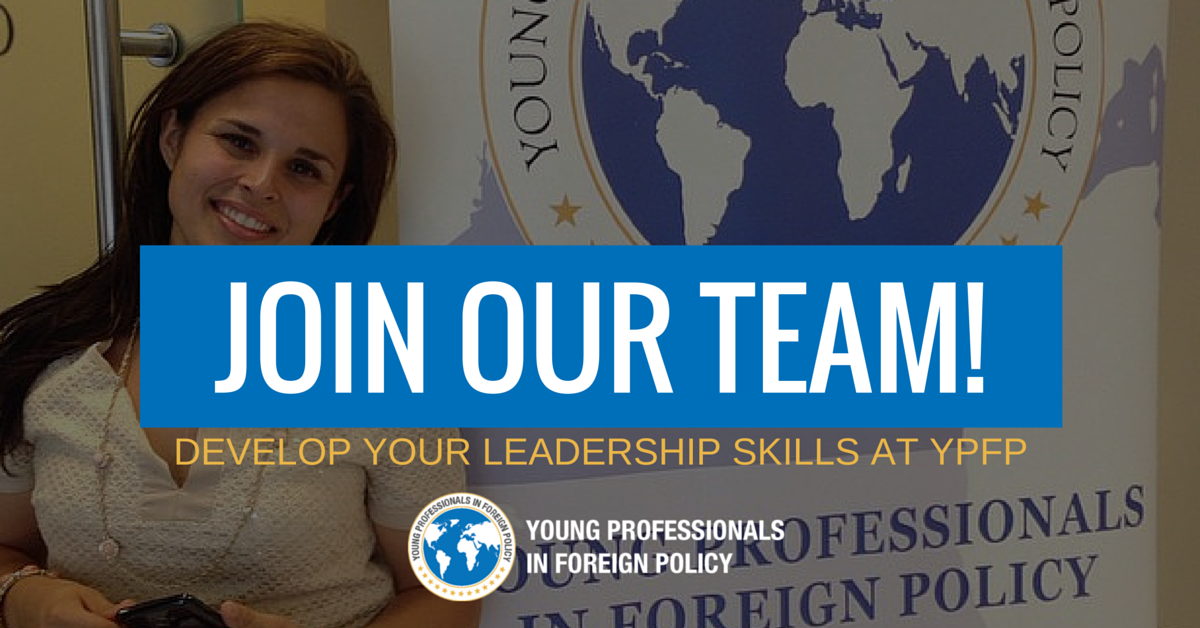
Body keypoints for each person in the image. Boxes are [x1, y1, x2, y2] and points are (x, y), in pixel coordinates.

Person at [0, 21, 478, 628]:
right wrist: (23, 596)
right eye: (238, 142)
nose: (260, 184)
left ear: (334, 203)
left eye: (303, 168)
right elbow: (7, 549)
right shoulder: (45, 356)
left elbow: (451, 594)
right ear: (173, 138)